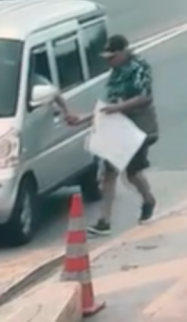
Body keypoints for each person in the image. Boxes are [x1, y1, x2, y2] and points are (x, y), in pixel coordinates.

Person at [66, 34, 158, 236]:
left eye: (112, 56)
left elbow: (144, 97)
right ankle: (104, 220)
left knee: (132, 174)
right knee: (109, 173)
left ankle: (148, 199)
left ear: (123, 51)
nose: (109, 61)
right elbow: (108, 105)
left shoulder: (139, 67)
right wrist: (84, 118)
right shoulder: (115, 72)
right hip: (117, 127)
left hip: (138, 128)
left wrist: (120, 108)